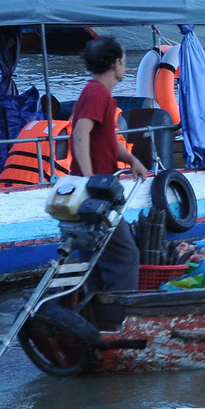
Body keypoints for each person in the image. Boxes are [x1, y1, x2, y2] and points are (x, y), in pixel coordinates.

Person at [69, 36, 146, 294]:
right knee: (126, 255)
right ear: (116, 63)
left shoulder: (97, 93)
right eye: (124, 60)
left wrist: (132, 160)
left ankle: (95, 315)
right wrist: (91, 180)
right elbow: (80, 133)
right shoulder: (97, 93)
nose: (126, 65)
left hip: (94, 192)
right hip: (96, 195)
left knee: (95, 258)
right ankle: (121, 316)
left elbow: (107, 140)